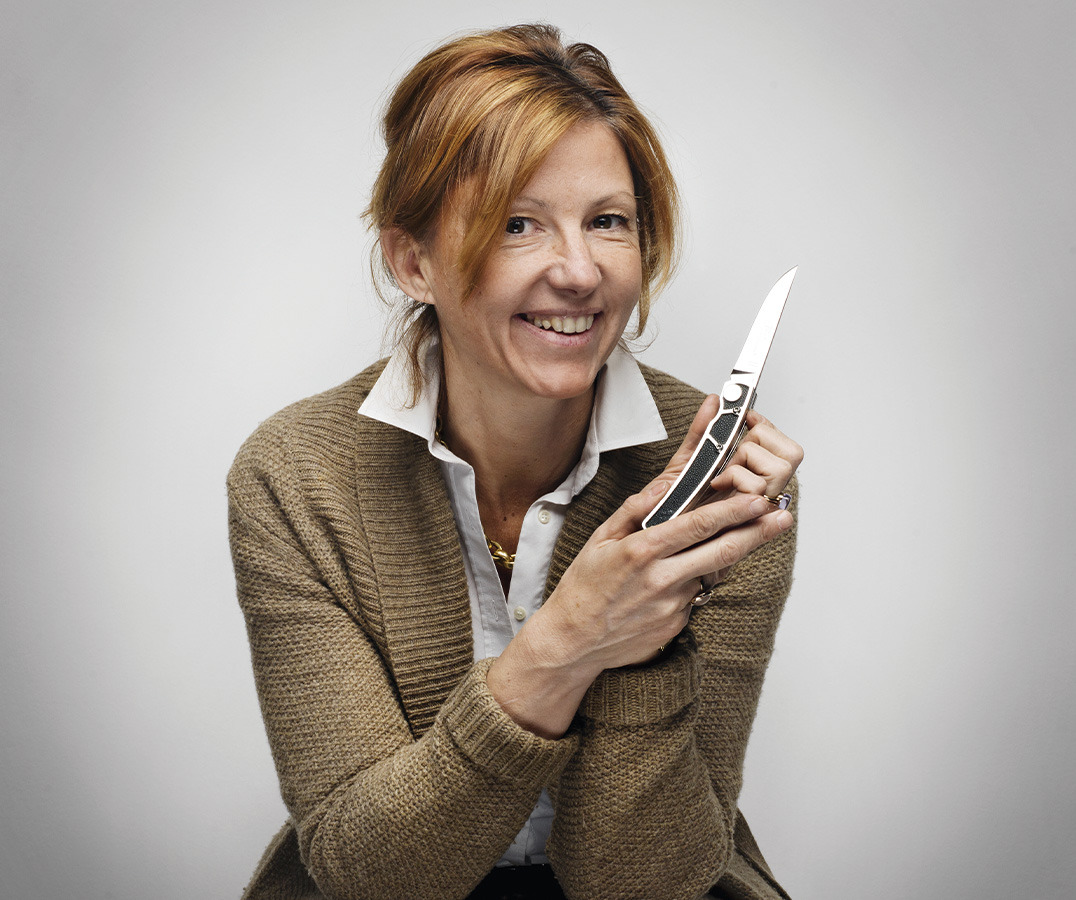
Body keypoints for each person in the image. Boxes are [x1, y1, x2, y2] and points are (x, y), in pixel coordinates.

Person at [228, 23, 802, 900]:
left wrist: (647, 626)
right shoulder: (295, 477)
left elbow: (643, 885)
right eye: (517, 224)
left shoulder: (730, 486)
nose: (579, 272)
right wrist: (570, 639)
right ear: (413, 261)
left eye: (607, 222)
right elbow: (371, 875)